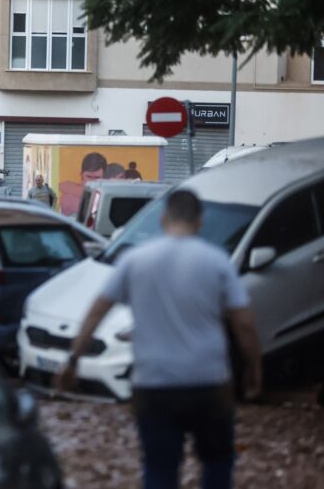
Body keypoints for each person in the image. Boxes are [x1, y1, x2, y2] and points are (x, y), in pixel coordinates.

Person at [55, 190, 262, 489]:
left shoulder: (135, 260)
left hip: (153, 383)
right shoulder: (217, 262)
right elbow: (244, 324)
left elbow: (96, 312)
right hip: (209, 382)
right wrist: (254, 369)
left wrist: (73, 360)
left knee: (159, 468)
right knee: (217, 462)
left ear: (164, 218)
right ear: (200, 222)